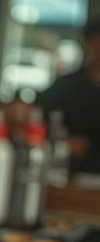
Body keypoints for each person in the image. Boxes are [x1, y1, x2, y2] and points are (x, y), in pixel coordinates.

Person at [32, 20, 100, 174]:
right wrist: (62, 142)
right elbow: (37, 112)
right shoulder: (70, 84)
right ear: (90, 43)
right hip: (73, 172)